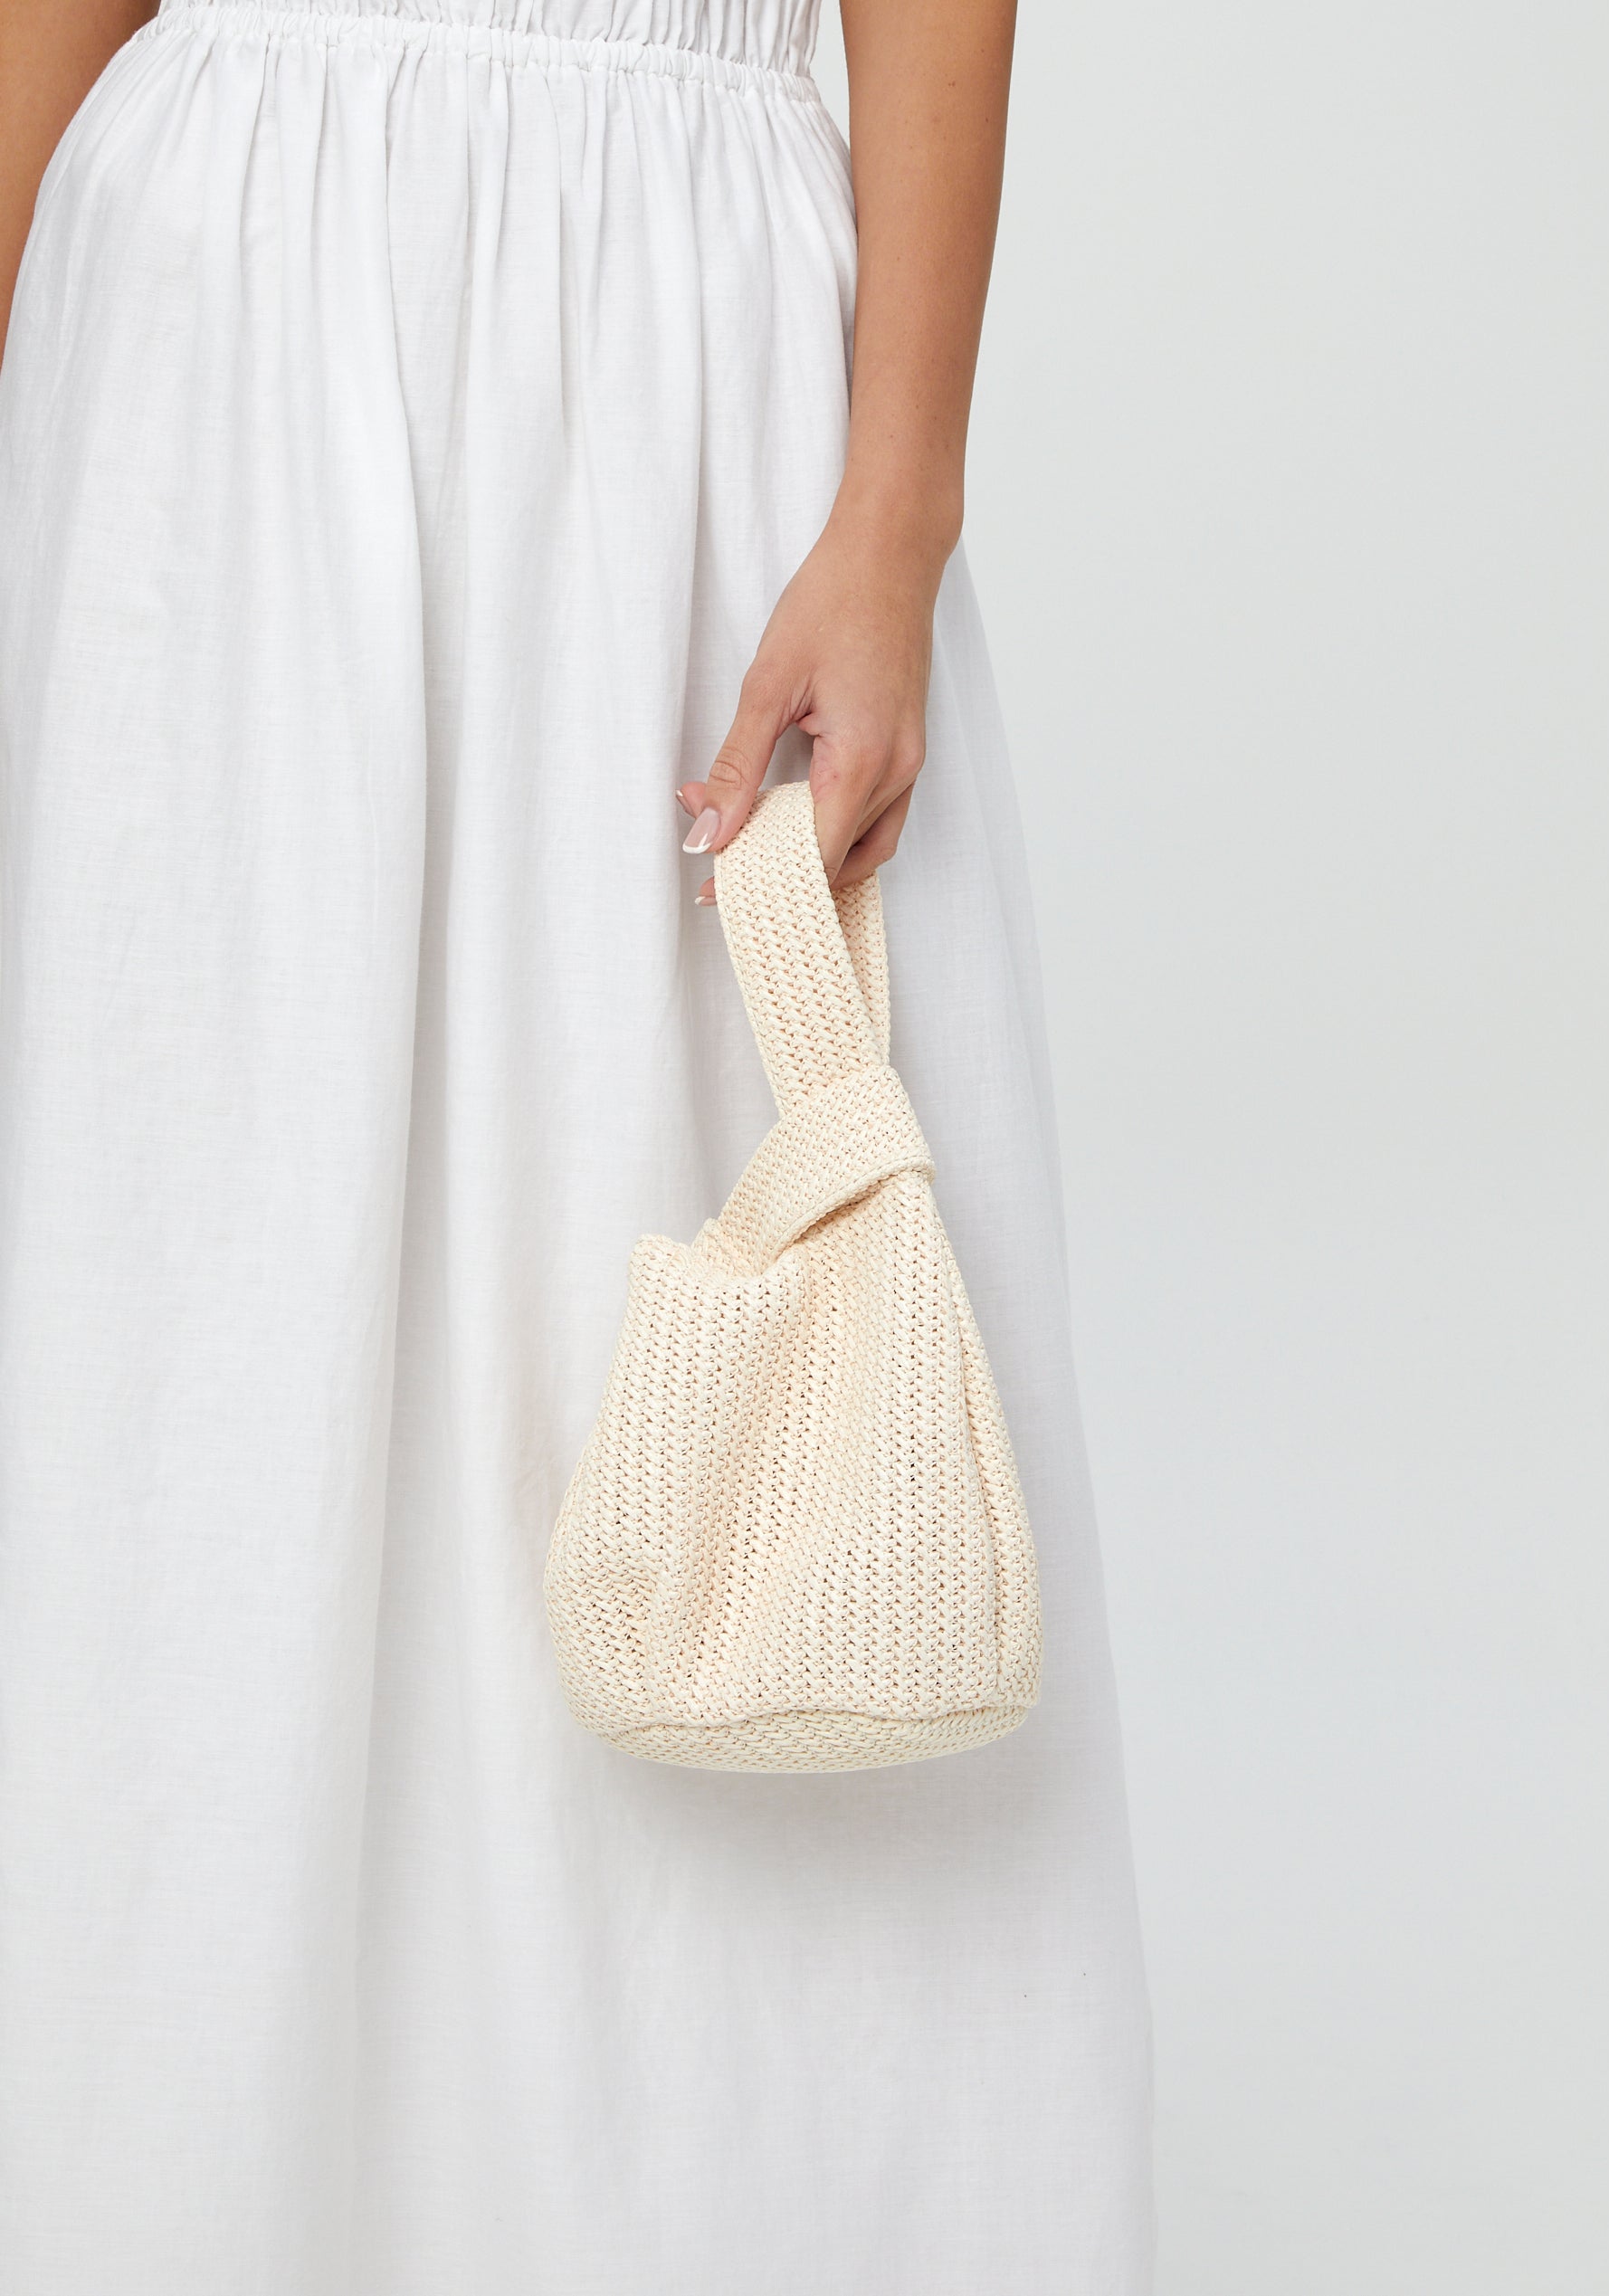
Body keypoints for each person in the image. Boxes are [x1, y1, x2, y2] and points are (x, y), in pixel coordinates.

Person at [0, 0, 1154, 2284]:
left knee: (676, 1286)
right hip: (203, 329)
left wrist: (898, 505)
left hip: (673, 342)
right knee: (190, 1317)